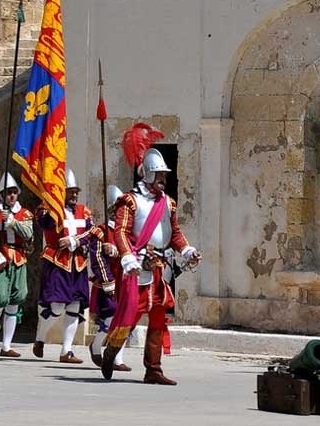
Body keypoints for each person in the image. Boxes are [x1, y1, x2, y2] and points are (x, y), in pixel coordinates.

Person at [101, 148, 201, 385]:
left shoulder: (168, 203)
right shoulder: (130, 201)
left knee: (158, 317)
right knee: (131, 315)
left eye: (164, 176)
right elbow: (121, 232)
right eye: (158, 175)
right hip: (139, 265)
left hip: (160, 266)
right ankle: (111, 351)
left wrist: (187, 250)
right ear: (147, 175)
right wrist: (127, 257)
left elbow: (174, 233)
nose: (163, 180)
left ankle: (153, 369)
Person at [33, 168, 93, 364]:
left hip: (79, 264)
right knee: (57, 307)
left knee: (75, 306)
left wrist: (75, 242)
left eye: (76, 191)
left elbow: (92, 234)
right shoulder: (47, 209)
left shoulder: (85, 211)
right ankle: (40, 338)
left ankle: (66, 351)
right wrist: (53, 204)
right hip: (58, 263)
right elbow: (46, 224)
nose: (74, 195)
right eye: (70, 191)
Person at [0, 172, 33, 357]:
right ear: (1, 194)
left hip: (18, 258)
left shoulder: (24, 214)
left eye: (14, 192)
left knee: (16, 301)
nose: (11, 196)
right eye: (7, 192)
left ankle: (6, 346)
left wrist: (11, 222)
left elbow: (27, 234)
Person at [88, 185, 130, 372]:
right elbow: (97, 259)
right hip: (109, 282)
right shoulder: (101, 231)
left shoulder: (129, 233)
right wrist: (108, 281)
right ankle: (96, 346)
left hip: (127, 280)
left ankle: (117, 358)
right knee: (110, 319)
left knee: (126, 320)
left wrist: (118, 253)